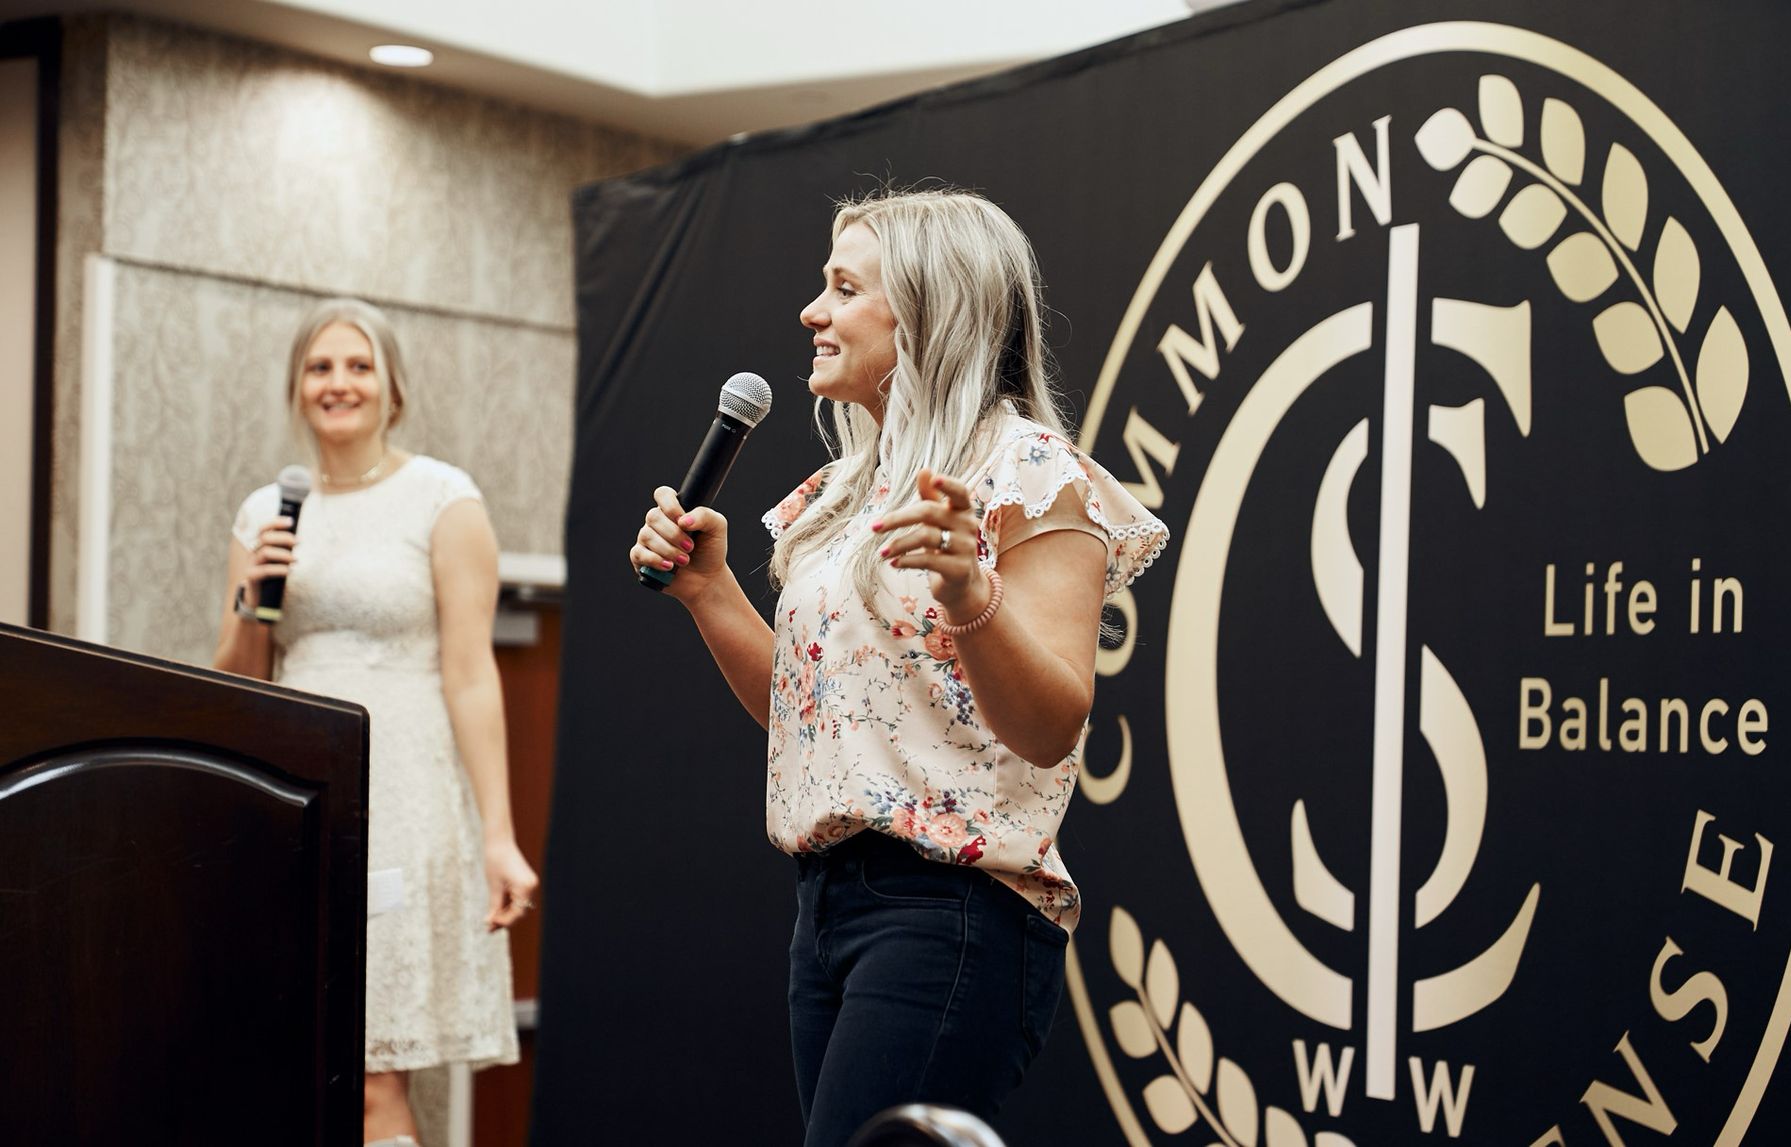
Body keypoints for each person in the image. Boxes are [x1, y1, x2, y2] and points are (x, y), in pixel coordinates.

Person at [628, 188, 1168, 1145]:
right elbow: (813, 716)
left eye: (842, 288)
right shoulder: (844, 490)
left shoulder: (1029, 471)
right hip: (827, 906)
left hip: (954, 910)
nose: (812, 312)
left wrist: (972, 595)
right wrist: (711, 591)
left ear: (927, 309)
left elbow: (1050, 726)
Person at [213, 298, 537, 1146]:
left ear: (392, 389)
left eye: (358, 366)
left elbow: (472, 674)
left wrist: (496, 835)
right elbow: (236, 683)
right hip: (296, 795)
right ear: (296, 388)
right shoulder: (262, 514)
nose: (338, 383)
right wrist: (253, 599)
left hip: (403, 790)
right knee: (304, 1072)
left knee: (365, 1074)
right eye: (320, 367)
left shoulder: (441, 497)